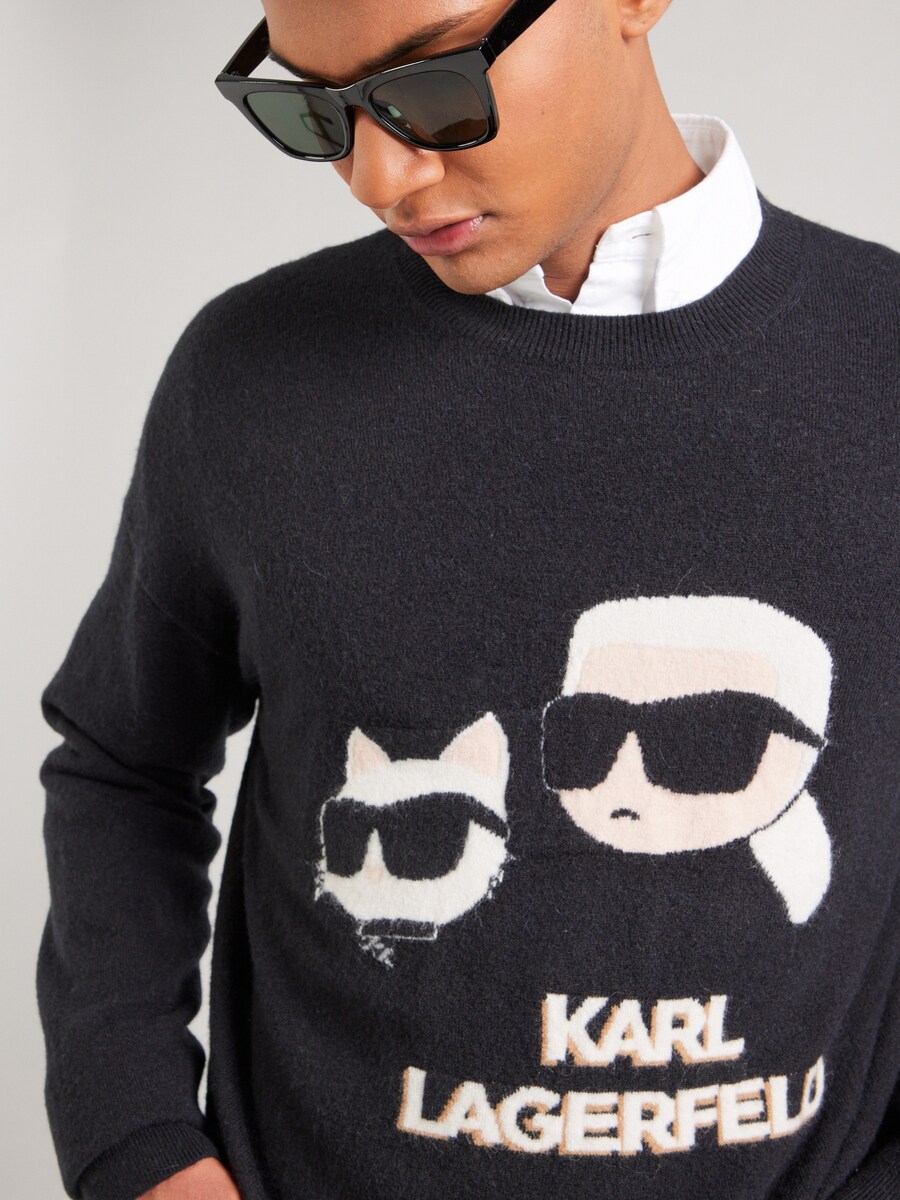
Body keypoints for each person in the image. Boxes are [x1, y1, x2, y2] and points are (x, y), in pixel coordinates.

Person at [36, 1, 899, 1198]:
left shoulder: (879, 364)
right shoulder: (254, 379)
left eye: (433, 84)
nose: (377, 178)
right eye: (316, 111)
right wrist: (136, 1146)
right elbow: (124, 764)